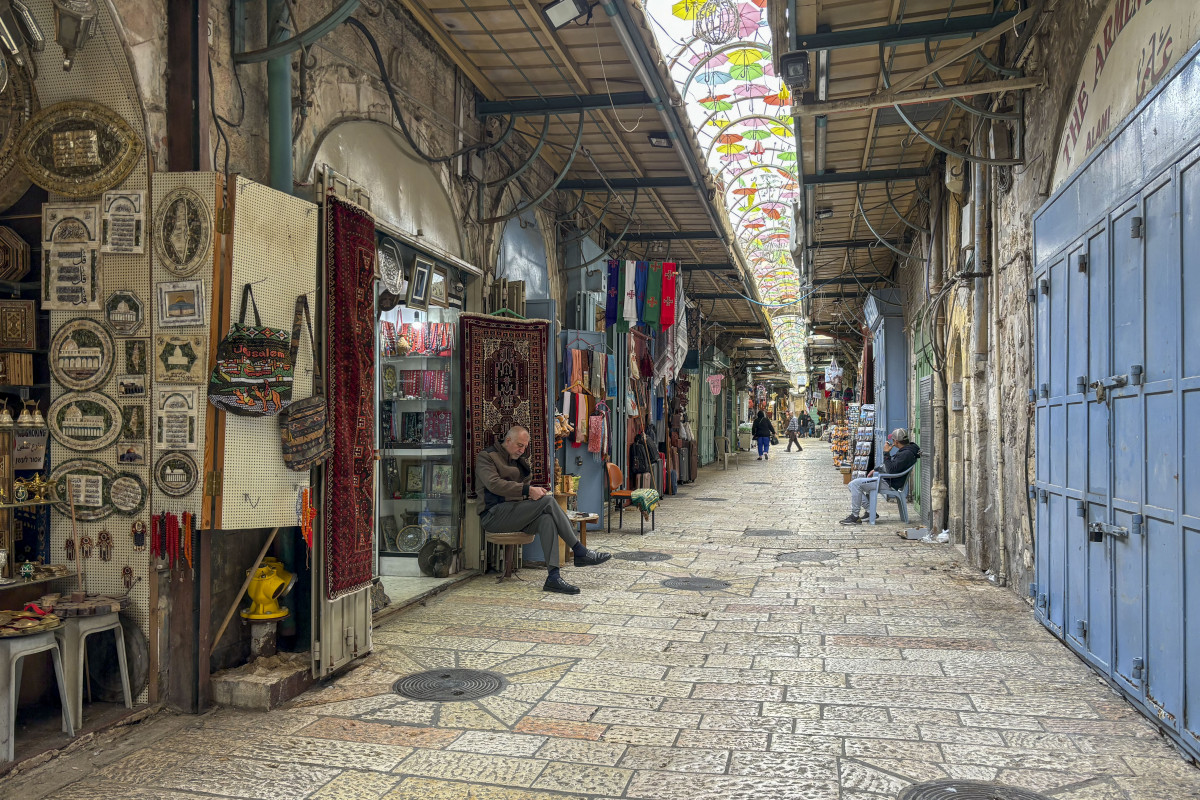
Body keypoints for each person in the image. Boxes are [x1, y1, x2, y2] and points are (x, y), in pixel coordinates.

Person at [476, 425, 611, 594]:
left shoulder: (521, 463)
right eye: (520, 445)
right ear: (508, 440)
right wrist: (528, 491)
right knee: (548, 502)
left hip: (515, 513)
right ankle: (579, 550)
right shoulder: (487, 457)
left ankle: (553, 577)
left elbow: (523, 492)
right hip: (493, 515)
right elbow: (494, 484)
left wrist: (532, 494)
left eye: (525, 446)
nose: (522, 450)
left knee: (547, 519)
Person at [840, 428, 921, 524]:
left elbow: (890, 469)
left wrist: (886, 453)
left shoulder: (906, 454)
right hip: (888, 480)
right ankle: (870, 512)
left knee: (854, 484)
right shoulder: (907, 450)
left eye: (893, 440)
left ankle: (855, 516)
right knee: (854, 484)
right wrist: (877, 469)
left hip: (889, 482)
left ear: (895, 441)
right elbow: (892, 466)